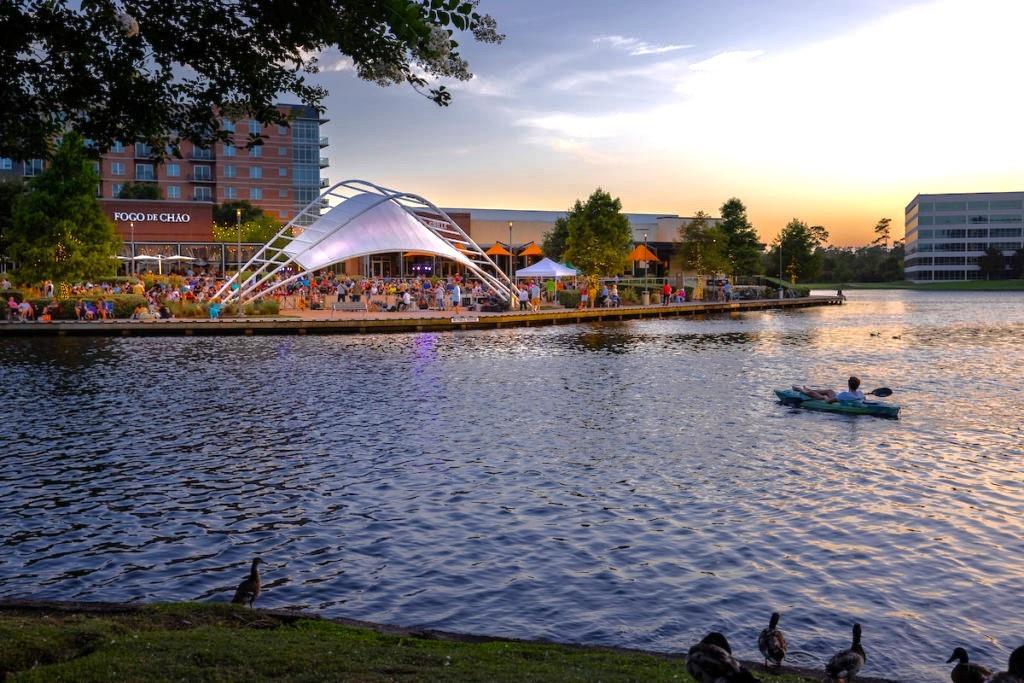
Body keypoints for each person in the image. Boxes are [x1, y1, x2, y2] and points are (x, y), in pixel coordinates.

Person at [794, 376, 865, 403]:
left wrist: (825, 397)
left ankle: (801, 390)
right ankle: (808, 389)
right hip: (840, 397)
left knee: (815, 394)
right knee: (829, 391)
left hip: (837, 400)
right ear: (858, 386)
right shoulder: (860, 393)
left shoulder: (845, 395)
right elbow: (863, 399)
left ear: (848, 384)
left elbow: (829, 401)